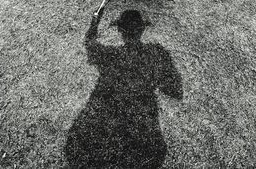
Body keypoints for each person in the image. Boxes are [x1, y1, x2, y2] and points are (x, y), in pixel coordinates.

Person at [65, 9, 182, 168]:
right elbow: (176, 92)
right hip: (144, 133)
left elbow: (90, 44)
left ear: (120, 30)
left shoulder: (110, 56)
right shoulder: (156, 53)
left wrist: (94, 23)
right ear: (142, 29)